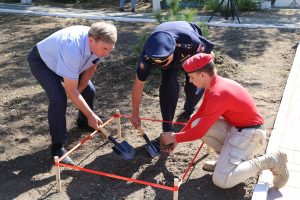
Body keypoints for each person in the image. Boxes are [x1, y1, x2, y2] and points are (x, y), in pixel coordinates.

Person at [161, 53, 289, 189]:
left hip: (250, 135)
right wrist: (177, 137)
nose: (190, 81)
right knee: (195, 122)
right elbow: (198, 115)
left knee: (221, 180)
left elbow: (198, 133)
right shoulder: (213, 85)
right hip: (237, 130)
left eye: (192, 77)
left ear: (203, 75)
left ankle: (270, 160)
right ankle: (227, 163)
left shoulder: (218, 93)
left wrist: (176, 137)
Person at [27, 22, 117, 165]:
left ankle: (83, 122)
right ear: (91, 40)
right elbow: (70, 91)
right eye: (104, 49)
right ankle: (57, 147)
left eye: (110, 50)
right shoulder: (73, 49)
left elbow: (92, 65)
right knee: (59, 99)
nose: (106, 53)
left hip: (66, 61)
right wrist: (90, 113)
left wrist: (80, 91)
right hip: (43, 62)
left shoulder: (100, 44)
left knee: (89, 90)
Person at [130, 21, 214, 132]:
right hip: (169, 44)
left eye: (165, 62)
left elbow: (210, 56)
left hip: (188, 49)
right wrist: (135, 113)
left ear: (172, 52)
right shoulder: (147, 55)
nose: (162, 65)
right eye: (157, 64)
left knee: (194, 82)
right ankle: (167, 127)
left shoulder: (190, 41)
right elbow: (139, 84)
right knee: (168, 85)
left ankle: (189, 110)